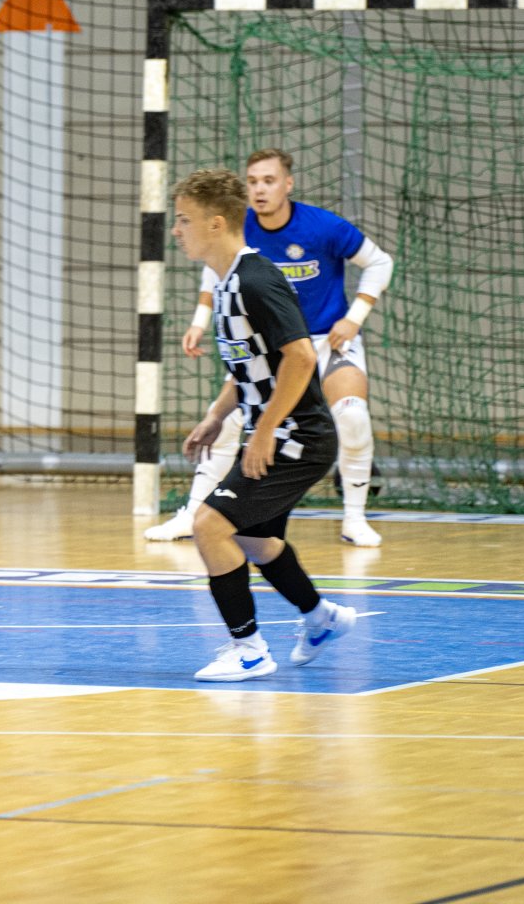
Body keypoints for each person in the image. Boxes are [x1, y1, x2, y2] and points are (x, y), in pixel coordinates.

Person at [148, 147, 395, 547]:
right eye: (252, 182)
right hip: (269, 348)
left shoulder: (322, 226)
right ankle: (192, 513)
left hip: (325, 340)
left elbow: (380, 262)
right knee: (225, 419)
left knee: (352, 417)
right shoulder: (237, 228)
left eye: (269, 181)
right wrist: (199, 321)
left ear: (288, 184)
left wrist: (355, 317)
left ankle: (354, 518)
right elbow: (214, 272)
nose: (260, 189)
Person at [171, 167, 358, 681]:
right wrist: (216, 416)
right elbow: (252, 367)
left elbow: (300, 357)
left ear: (215, 223)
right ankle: (322, 617)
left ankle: (249, 650)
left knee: (208, 525)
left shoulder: (256, 280)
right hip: (276, 433)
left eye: (184, 220)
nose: (176, 230)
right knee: (255, 541)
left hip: (296, 438)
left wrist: (265, 430)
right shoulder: (227, 283)